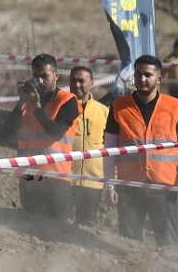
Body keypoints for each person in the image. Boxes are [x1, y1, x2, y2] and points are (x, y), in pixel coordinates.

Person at [106, 54, 178, 254]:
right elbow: (109, 150)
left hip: (164, 187)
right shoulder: (118, 107)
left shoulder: (174, 106)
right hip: (129, 186)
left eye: (147, 75)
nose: (142, 79)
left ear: (159, 79)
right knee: (127, 246)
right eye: (138, 74)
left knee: (168, 245)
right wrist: (110, 184)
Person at [12, 54, 79, 223]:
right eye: (35, 76)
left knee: (56, 229)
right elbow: (8, 129)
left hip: (55, 177)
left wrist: (36, 108)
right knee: (28, 227)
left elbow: (55, 133)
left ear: (56, 76)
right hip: (29, 175)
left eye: (44, 76)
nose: (39, 81)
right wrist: (21, 103)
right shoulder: (30, 100)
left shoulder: (68, 101)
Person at [68, 64, 110, 226]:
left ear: (91, 83)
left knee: (86, 225)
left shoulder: (104, 112)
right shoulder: (61, 108)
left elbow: (111, 147)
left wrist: (111, 180)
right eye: (73, 80)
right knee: (59, 224)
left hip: (93, 181)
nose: (77, 84)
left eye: (81, 81)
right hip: (65, 179)